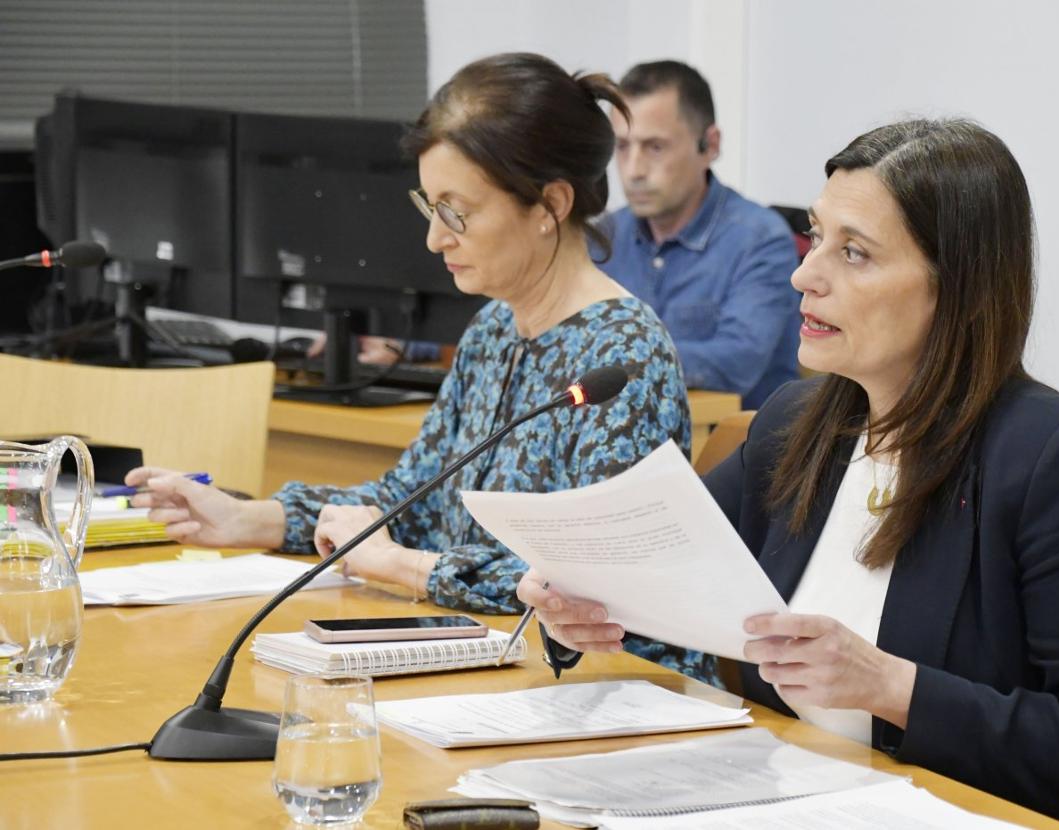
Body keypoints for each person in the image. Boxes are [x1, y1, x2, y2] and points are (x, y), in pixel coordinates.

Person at [520, 119, 1059, 828]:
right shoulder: (798, 423)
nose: (805, 274)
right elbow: (662, 579)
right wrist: (575, 603)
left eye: (855, 253)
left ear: (956, 287)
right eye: (815, 236)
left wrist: (892, 686)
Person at [125, 52, 715, 684]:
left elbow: (597, 593)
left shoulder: (621, 358)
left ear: (550, 205)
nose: (435, 238)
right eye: (428, 206)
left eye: (456, 212)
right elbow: (413, 501)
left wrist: (404, 568)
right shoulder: (494, 328)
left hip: (621, 692)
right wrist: (249, 519)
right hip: (503, 671)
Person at [602, 60, 799, 409]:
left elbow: (738, 362)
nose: (633, 170)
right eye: (622, 147)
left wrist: (620, 359)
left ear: (709, 145)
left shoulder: (761, 240)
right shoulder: (603, 237)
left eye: (655, 147)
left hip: (733, 451)